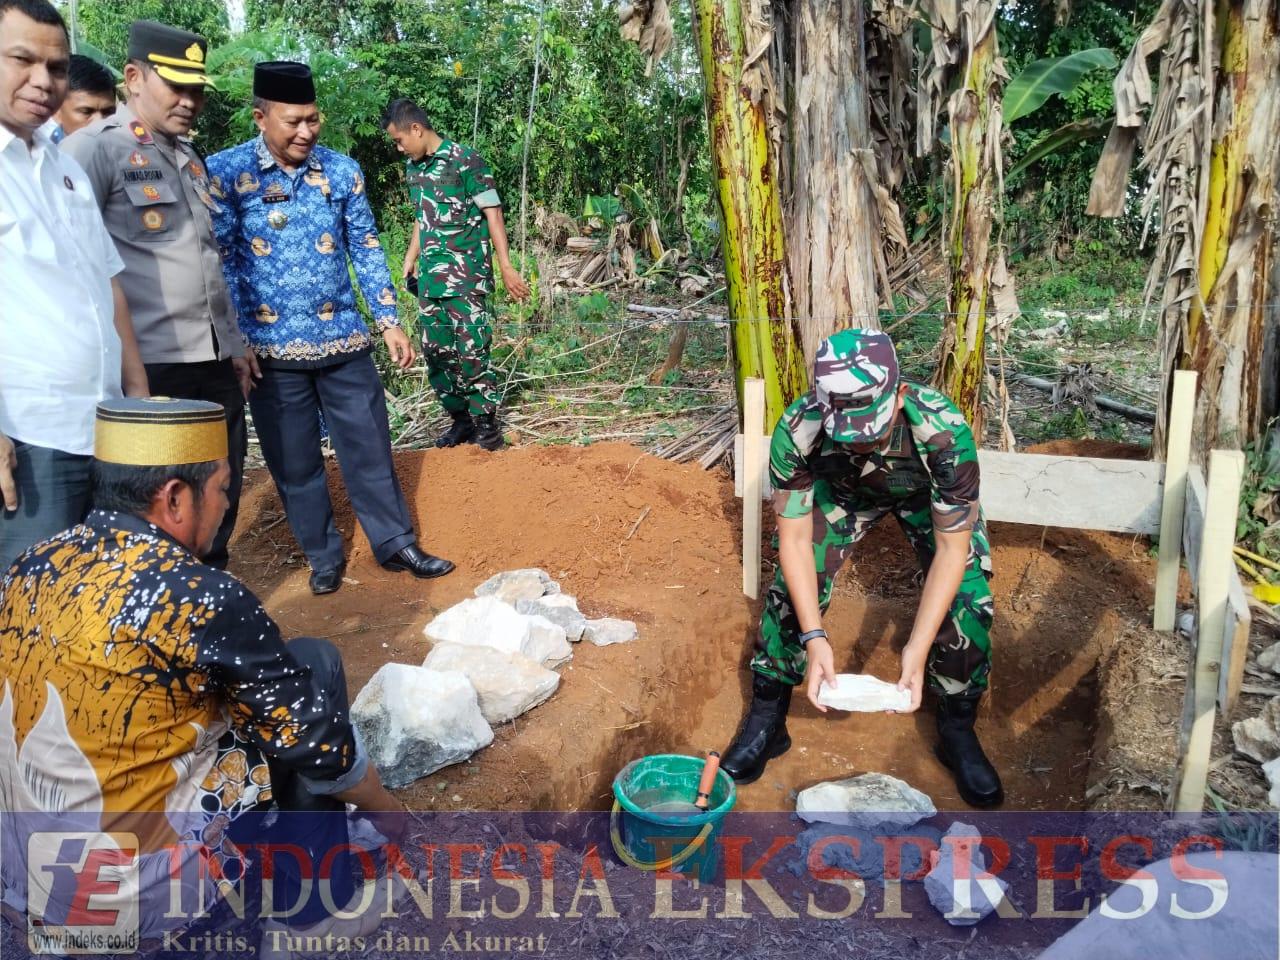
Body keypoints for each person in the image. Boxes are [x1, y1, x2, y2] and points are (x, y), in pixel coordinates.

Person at [0, 397, 404, 948]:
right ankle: (311, 918)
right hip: (132, 896)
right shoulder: (197, 594)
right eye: (221, 487)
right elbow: (314, 742)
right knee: (312, 671)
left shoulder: (33, 563)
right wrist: (387, 811)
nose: (226, 503)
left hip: (31, 881)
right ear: (174, 498)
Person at [720, 329, 1003, 808]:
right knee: (792, 588)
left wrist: (917, 647)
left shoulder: (943, 429)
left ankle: (957, 728)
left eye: (873, 431)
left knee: (969, 595)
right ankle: (768, 718)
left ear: (898, 398)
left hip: (922, 497)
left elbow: (952, 550)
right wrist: (814, 637)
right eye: (849, 435)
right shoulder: (800, 427)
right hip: (842, 496)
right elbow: (794, 541)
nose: (862, 444)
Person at [208, 62, 454, 596]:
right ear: (260, 118)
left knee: (370, 447)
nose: (306, 132)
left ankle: (396, 542)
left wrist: (388, 320)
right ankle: (323, 555)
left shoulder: (341, 172)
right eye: (293, 121)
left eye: (313, 120)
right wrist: (236, 340)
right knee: (294, 463)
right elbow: (221, 261)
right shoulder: (226, 173)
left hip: (343, 337)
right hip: (269, 349)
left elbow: (364, 247)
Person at [63, 20, 252, 571]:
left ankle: (207, 597)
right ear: (133, 78)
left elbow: (206, 259)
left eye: (197, 89)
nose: (190, 101)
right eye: (176, 86)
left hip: (211, 361)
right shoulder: (94, 149)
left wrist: (233, 345)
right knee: (154, 511)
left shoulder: (189, 155)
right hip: (149, 365)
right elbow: (73, 261)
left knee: (217, 492)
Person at [0, 0, 147, 570]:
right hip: (29, 437)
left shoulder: (64, 168)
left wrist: (138, 398)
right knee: (31, 603)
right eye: (22, 60)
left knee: (95, 596)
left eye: (56, 67)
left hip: (103, 427)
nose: (43, 81)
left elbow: (107, 283)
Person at [382, 97, 530, 451]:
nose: (399, 148)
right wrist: (411, 256)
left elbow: (493, 213)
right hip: (430, 280)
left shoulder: (466, 160)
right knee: (437, 355)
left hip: (466, 278)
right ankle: (461, 420)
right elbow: (422, 217)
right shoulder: (414, 169)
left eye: (400, 140)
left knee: (473, 353)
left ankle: (487, 426)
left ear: (416, 129)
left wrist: (506, 266)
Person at [48, 52, 115, 140]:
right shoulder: (38, 146)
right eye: (86, 112)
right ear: (56, 111)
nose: (99, 122)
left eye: (108, 112)